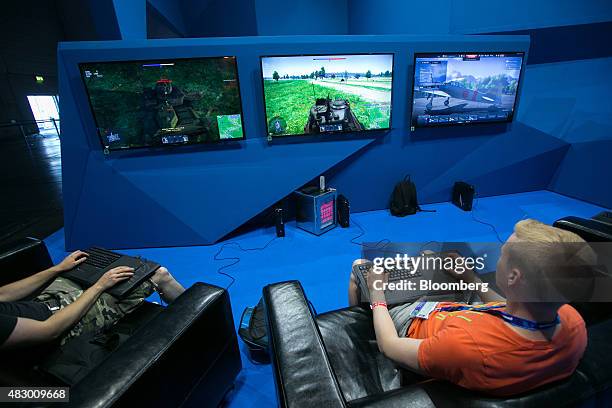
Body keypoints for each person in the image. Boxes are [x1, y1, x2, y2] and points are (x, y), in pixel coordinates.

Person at [348, 219, 593, 396]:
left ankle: (360, 325)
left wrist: (378, 292)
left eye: (504, 254)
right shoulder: (572, 322)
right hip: (466, 314)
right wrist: (471, 279)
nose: (499, 257)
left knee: (360, 267)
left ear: (514, 278)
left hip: (414, 322)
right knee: (431, 257)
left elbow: (390, 347)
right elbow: (510, 311)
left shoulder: (469, 348)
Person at [0, 250, 185, 349]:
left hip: (41, 304)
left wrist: (57, 268)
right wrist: (99, 285)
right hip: (61, 327)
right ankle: (200, 313)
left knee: (94, 264)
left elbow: (2, 295)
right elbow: (49, 331)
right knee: (157, 274)